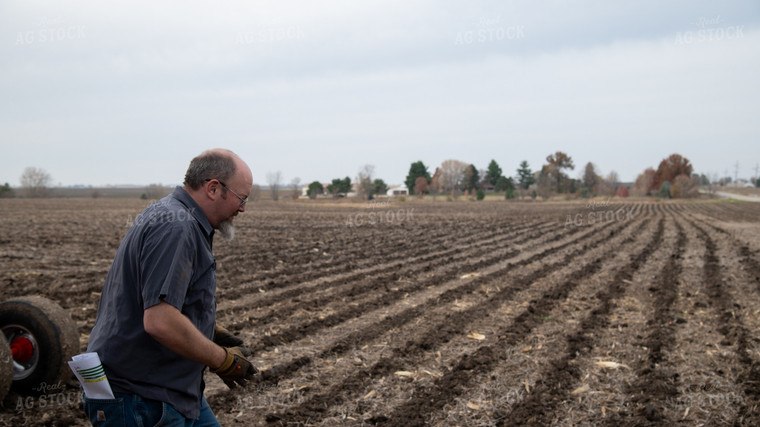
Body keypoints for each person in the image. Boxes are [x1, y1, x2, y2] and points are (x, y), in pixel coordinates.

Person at [84, 148, 256, 426]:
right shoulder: (177, 227)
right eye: (241, 198)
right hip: (140, 396)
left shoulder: (173, 215)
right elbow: (160, 322)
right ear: (213, 188)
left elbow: (156, 300)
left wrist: (206, 329)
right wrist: (223, 361)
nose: (243, 208)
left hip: (171, 390)